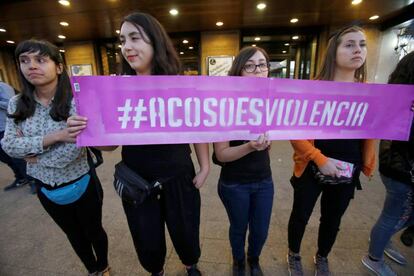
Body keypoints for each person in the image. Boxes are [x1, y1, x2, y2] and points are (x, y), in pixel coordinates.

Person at [67, 12, 210, 276]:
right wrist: (90, 131)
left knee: (186, 230)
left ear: (155, 41)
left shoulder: (182, 84)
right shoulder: (117, 90)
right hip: (137, 180)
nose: (127, 47)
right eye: (122, 40)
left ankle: (191, 265)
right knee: (147, 240)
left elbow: (198, 128)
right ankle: (156, 271)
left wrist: (204, 166)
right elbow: (109, 147)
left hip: (180, 175)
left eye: (135, 38)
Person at [0, 39, 110, 276]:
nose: (32, 66)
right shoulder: (17, 103)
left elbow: (68, 156)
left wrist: (33, 154)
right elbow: (9, 146)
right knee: (72, 233)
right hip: (45, 188)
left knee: (94, 231)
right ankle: (92, 270)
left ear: (59, 67)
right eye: (24, 61)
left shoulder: (78, 101)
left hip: (82, 182)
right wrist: (58, 135)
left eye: (40, 60)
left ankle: (104, 266)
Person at [285, 26, 376, 276]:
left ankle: (322, 256)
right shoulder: (312, 89)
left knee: (332, 220)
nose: (358, 49)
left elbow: (378, 127)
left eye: (362, 44)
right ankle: (293, 253)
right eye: (349, 44)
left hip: (349, 166)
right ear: (333, 52)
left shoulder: (371, 92)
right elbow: (294, 132)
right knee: (301, 215)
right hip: (312, 164)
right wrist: (319, 159)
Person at [213, 46, 273, 276]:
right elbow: (221, 155)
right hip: (234, 183)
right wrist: (249, 146)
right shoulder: (224, 105)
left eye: (262, 64)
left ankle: (253, 259)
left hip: (264, 181)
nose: (258, 70)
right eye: (250, 66)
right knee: (239, 228)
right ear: (239, 71)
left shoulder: (270, 103)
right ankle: (238, 261)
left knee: (261, 231)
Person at [362, 51, 414, 276]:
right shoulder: (403, 102)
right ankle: (375, 255)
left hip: (397, 166)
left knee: (396, 214)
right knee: (394, 214)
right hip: (401, 168)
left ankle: (381, 239)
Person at [0, 81, 31, 191]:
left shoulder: (2, 86)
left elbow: (12, 104)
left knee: (17, 157)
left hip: (5, 127)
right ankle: (21, 177)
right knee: (4, 157)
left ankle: (32, 180)